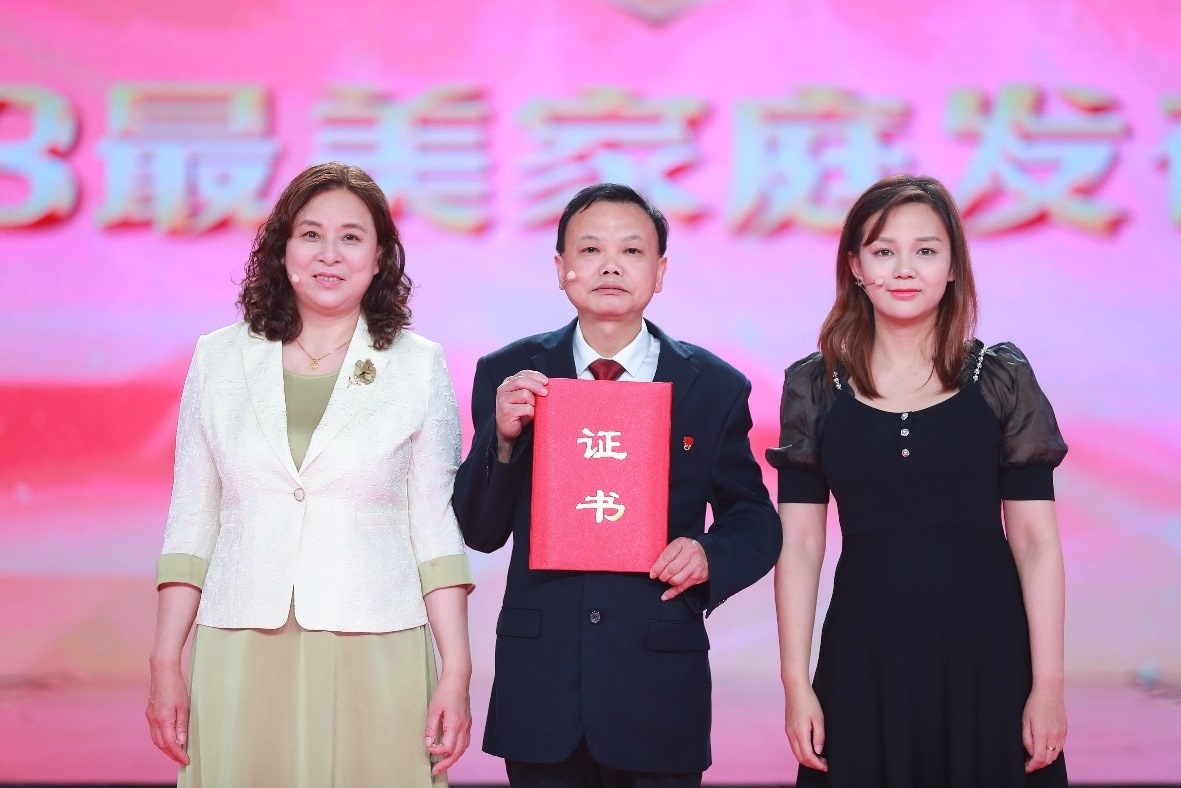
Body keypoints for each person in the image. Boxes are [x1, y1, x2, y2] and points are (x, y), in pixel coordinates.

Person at [145, 162, 474, 787]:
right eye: (311, 234)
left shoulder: (417, 366)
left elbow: (435, 527)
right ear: (282, 249)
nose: (330, 254)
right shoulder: (218, 359)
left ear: (380, 257)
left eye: (351, 237)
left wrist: (456, 671)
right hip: (242, 636)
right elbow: (192, 518)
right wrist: (165, 661)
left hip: (375, 636)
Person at [452, 183, 781, 787]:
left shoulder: (712, 386)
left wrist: (709, 554)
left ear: (660, 272)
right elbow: (480, 529)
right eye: (590, 249)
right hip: (542, 681)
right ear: (561, 269)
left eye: (631, 250)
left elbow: (755, 519)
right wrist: (501, 441)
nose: (610, 265)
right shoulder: (510, 374)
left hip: (656, 682)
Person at [769, 174, 1069, 787]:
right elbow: (798, 545)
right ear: (855, 266)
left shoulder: (1001, 379)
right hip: (865, 656)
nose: (904, 269)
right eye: (883, 251)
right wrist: (796, 684)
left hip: (988, 655)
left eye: (926, 250)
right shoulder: (814, 387)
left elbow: (1037, 542)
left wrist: (1048, 684)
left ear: (954, 266)